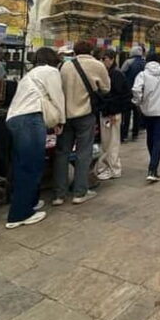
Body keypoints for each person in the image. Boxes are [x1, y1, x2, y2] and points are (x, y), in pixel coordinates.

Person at [4, 48, 65, 228]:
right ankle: (19, 215)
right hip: (30, 119)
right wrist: (60, 121)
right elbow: (57, 96)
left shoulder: (32, 73)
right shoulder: (51, 71)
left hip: (15, 118)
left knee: (21, 163)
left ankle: (27, 202)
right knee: (31, 165)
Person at [56, 40, 110, 205]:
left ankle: (59, 194)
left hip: (66, 114)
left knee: (62, 153)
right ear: (91, 51)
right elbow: (106, 88)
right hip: (85, 113)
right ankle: (80, 192)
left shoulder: (65, 66)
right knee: (83, 152)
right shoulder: (97, 65)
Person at [133, 53, 160, 182]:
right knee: (159, 139)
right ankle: (153, 168)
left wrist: (139, 101)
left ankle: (153, 163)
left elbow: (136, 89)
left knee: (150, 137)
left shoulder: (142, 75)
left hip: (147, 111)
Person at [95, 49, 132, 181]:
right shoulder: (109, 73)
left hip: (112, 113)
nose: (101, 61)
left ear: (111, 59)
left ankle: (113, 168)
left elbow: (116, 96)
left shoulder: (115, 74)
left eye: (103, 58)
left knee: (112, 141)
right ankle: (108, 166)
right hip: (108, 111)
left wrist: (111, 111)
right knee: (107, 142)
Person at [120, 46, 146, 142]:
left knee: (126, 114)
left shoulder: (128, 62)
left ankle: (124, 134)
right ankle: (135, 133)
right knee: (137, 113)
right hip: (140, 91)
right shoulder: (144, 63)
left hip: (128, 91)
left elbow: (122, 74)